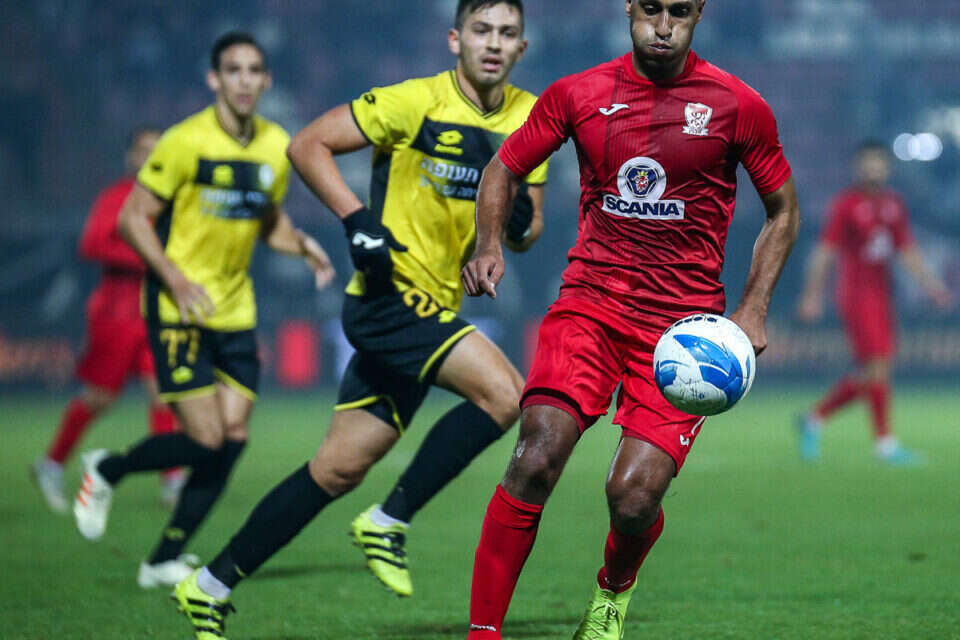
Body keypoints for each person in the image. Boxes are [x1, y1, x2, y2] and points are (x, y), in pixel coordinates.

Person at [171, 1, 547, 636]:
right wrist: (356, 220)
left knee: (336, 470)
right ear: (455, 39)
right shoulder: (413, 102)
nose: (493, 43)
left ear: (521, 48)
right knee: (509, 394)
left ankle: (208, 585)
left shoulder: (531, 119)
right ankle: (390, 519)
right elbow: (306, 145)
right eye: (481, 30)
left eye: (507, 33)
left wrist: (516, 222)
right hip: (388, 297)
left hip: (435, 306)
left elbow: (529, 232)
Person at [460, 1, 800, 637]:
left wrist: (753, 306)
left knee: (633, 496)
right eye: (651, 8)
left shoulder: (737, 105)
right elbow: (505, 165)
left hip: (682, 331)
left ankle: (612, 594)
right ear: (629, 7)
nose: (663, 25)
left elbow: (783, 209)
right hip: (590, 305)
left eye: (679, 11)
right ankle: (484, 632)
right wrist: (487, 244)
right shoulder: (578, 94)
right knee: (535, 455)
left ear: (699, 12)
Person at [71, 32, 335, 590]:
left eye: (254, 70)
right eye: (233, 70)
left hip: (235, 311)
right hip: (179, 309)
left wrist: (301, 245)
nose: (244, 80)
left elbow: (268, 221)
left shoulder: (275, 145)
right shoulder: (184, 141)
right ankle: (108, 468)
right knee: (208, 438)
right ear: (214, 79)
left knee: (232, 438)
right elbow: (132, 220)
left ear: (266, 80)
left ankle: (163, 558)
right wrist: (175, 278)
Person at [31, 127, 187, 514]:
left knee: (163, 393)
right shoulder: (117, 197)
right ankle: (51, 464)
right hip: (116, 311)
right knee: (101, 396)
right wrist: (152, 258)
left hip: (157, 309)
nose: (150, 158)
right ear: (130, 157)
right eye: (143, 150)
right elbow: (92, 244)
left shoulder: (174, 198)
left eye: (157, 151)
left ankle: (172, 479)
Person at [796, 141, 952, 465]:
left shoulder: (894, 204)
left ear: (887, 167)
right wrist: (812, 295)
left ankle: (814, 418)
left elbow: (907, 251)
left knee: (876, 371)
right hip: (856, 295)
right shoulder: (846, 204)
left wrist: (933, 287)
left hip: (882, 295)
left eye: (878, 162)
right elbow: (826, 252)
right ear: (857, 167)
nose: (873, 168)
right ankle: (883, 443)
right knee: (877, 368)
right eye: (867, 162)